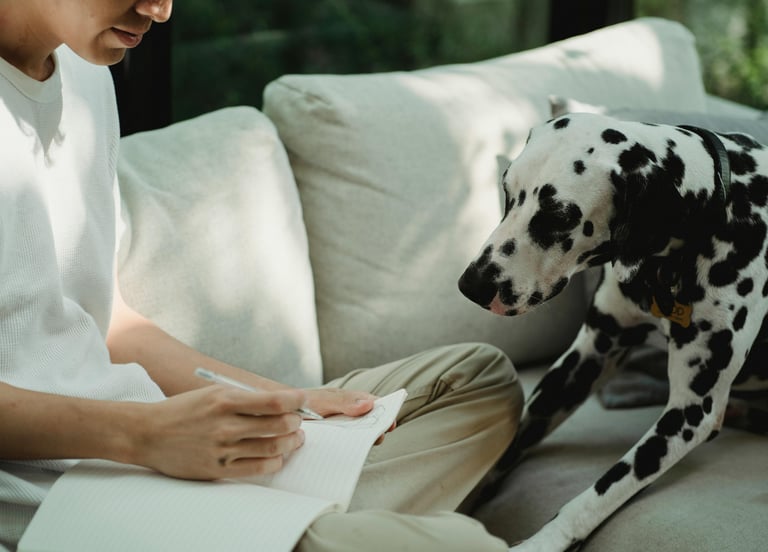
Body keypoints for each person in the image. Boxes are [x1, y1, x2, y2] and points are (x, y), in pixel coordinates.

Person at [0, 1, 523, 551]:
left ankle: (296, 520)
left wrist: (285, 399)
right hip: (62, 501)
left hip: (160, 447)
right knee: (464, 547)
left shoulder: (85, 76)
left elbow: (110, 321)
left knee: (476, 381)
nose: (160, 9)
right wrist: (144, 435)